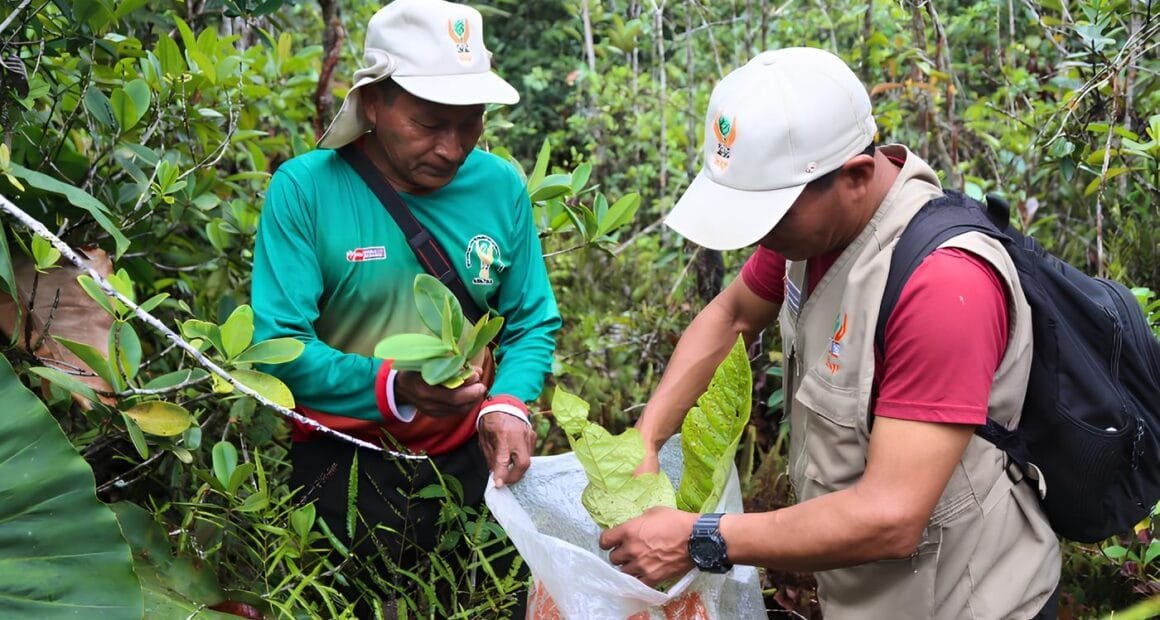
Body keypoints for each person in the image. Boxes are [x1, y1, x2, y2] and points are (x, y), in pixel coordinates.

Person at [599, 47, 1061, 619]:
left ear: (855, 177)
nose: (756, 238)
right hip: (869, 596)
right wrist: (647, 437)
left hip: (965, 601)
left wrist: (700, 537)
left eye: (769, 216)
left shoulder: (943, 286)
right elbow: (733, 316)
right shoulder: (806, 235)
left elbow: (891, 517)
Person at [250, 0, 560, 610]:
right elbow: (279, 347)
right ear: (372, 102)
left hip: (473, 462)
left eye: (469, 121)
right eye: (427, 123)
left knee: (481, 603)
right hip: (342, 463)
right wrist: (398, 388)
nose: (451, 148)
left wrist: (509, 404)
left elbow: (532, 319)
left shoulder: (499, 187)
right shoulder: (306, 189)